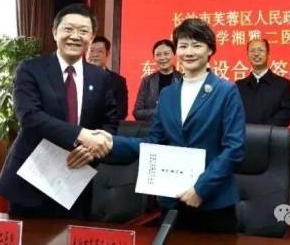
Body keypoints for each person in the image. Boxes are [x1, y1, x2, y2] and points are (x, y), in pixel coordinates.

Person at [69, 19, 246, 233]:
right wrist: (111, 141)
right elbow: (154, 142)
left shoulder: (226, 91)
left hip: (214, 203)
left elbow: (234, 149)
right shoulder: (168, 94)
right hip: (172, 200)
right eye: (183, 46)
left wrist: (201, 189)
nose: (189, 52)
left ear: (210, 50)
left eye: (197, 45)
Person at [0, 3, 119, 218]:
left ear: (91, 37)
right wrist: (81, 135)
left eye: (83, 31)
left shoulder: (100, 77)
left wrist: (91, 150)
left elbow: (110, 121)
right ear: (55, 32)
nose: (75, 36)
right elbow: (29, 117)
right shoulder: (31, 69)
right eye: (68, 29)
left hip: (75, 179)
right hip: (32, 180)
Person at [235, 39, 290, 126]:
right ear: (247, 55)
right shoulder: (239, 86)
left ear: (268, 54)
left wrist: (264, 130)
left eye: (260, 50)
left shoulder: (283, 85)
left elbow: (286, 113)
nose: (256, 54)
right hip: (245, 133)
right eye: (252, 51)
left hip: (273, 133)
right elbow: (234, 112)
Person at [133, 39, 182, 121]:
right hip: (151, 127)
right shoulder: (147, 81)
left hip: (177, 127)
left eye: (166, 54)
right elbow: (137, 112)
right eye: (158, 54)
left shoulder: (183, 79)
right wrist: (160, 112)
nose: (162, 58)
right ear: (154, 57)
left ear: (174, 55)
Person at [87, 36, 129, 120]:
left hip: (106, 126)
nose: (95, 54)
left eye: (100, 51)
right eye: (91, 51)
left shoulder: (118, 81)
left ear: (108, 54)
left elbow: (121, 112)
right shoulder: (76, 76)